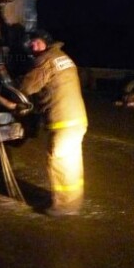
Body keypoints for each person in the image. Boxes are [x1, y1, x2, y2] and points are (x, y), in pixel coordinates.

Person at [19, 30, 88, 216]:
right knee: (71, 162)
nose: (33, 47)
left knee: (58, 162)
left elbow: (27, 86)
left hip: (63, 120)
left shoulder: (45, 60)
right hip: (77, 118)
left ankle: (64, 206)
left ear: (45, 43)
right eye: (31, 44)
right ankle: (72, 202)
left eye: (36, 43)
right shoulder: (62, 57)